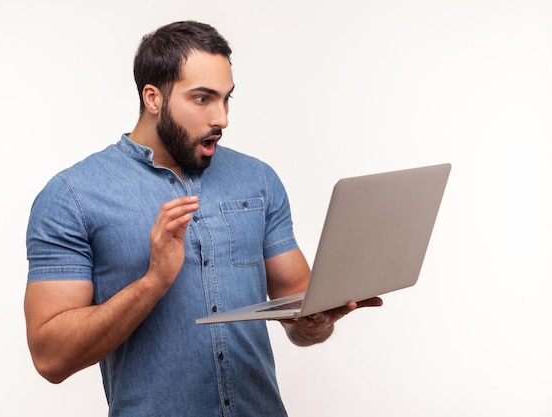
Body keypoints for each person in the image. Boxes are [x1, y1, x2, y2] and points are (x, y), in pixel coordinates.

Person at [24, 20, 382, 417]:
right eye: (203, 99)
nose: (222, 118)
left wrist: (316, 323)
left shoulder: (258, 179)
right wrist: (153, 281)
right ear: (153, 98)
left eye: (226, 99)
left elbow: (299, 315)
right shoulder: (73, 196)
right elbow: (50, 358)